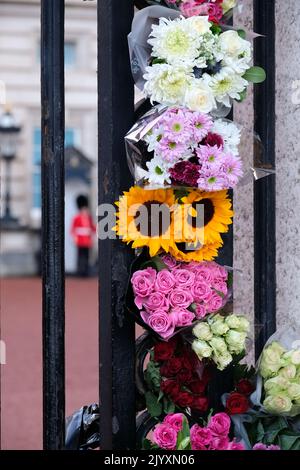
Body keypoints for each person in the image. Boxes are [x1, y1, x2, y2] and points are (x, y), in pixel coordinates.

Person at [71, 195, 96, 277]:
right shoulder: (76, 218)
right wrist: (75, 238)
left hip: (87, 240)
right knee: (80, 256)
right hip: (80, 239)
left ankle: (85, 271)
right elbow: (73, 229)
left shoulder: (89, 217)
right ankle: (80, 271)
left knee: (86, 256)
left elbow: (92, 227)